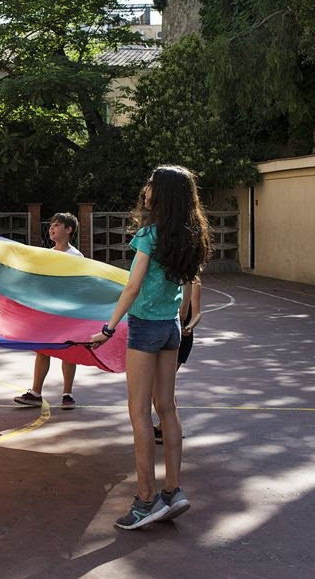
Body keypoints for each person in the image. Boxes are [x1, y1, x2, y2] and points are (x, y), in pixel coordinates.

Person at [89, 166, 210, 530]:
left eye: (151, 186)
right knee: (167, 409)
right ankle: (173, 491)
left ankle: (146, 500)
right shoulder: (190, 235)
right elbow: (191, 282)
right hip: (171, 328)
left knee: (139, 412)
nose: (145, 190)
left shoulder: (149, 236)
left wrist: (108, 328)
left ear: (164, 194)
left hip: (144, 329)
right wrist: (192, 313)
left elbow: (132, 287)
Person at [14, 212, 84, 409]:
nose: (52, 228)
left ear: (69, 230)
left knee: (68, 352)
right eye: (51, 225)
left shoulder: (76, 256)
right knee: (42, 350)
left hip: (68, 312)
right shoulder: (48, 254)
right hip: (48, 311)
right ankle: (36, 393)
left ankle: (67, 394)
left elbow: (79, 284)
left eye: (57, 225)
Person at [154, 276, 202, 445]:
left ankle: (168, 426)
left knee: (162, 384)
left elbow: (196, 314)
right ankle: (165, 425)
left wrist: (189, 326)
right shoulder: (168, 278)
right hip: (168, 331)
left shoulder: (194, 283)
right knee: (161, 384)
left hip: (182, 336)